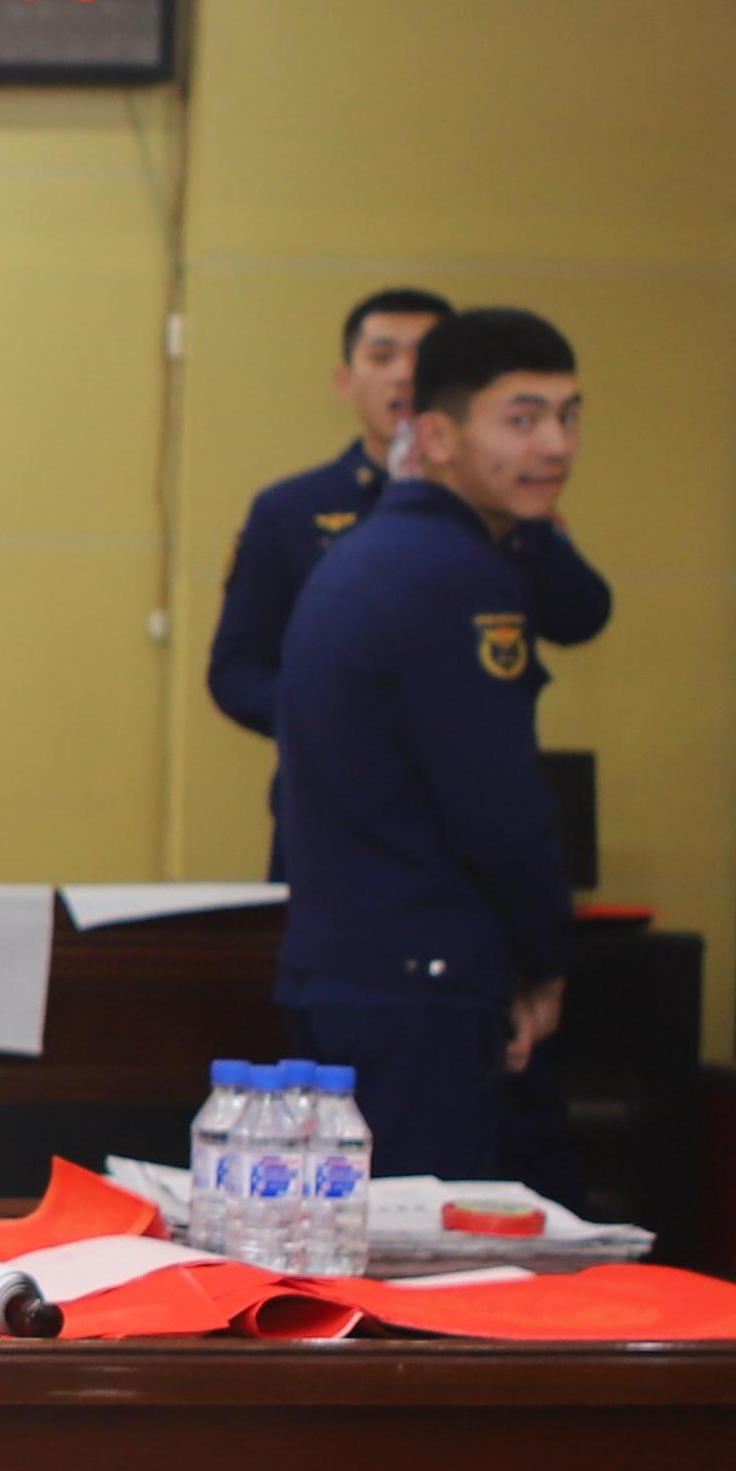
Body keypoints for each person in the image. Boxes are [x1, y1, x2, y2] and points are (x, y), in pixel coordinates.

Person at [269, 307, 587, 1195]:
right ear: (438, 437)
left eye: (569, 417)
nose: (555, 446)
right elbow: (499, 804)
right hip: (421, 985)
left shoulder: (367, 553)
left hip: (346, 970)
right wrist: (548, 958)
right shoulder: (460, 574)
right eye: (521, 419)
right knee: (434, 1258)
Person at [205, 283, 611, 808]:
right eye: (382, 357)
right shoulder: (292, 509)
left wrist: (518, 522)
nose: (405, 374)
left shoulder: (506, 498)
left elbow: (582, 616)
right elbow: (236, 670)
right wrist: (336, 715)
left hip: (477, 794)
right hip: (337, 796)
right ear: (345, 381)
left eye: (424, 355)